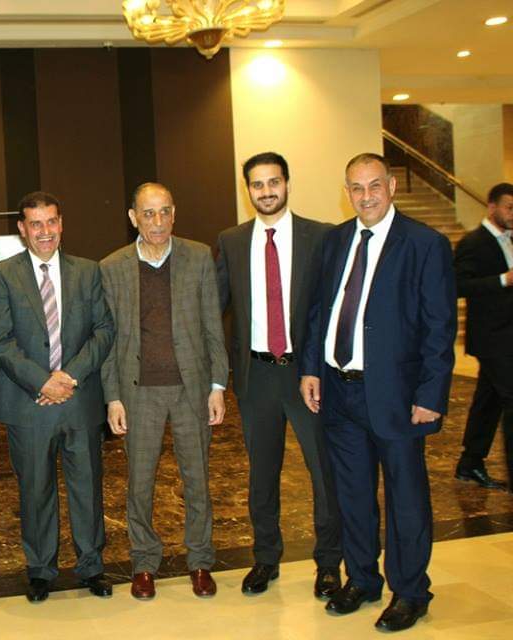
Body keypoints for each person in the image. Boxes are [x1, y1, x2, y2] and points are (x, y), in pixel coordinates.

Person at [300, 153, 456, 632]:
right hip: (339, 391)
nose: (365, 196)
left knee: (406, 498)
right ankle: (363, 579)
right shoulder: (335, 241)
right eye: (356, 187)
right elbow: (320, 312)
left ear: (391, 186)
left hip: (397, 396)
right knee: (352, 495)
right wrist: (311, 369)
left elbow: (439, 327)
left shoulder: (425, 244)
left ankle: (410, 591)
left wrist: (430, 394)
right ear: (346, 192)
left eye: (373, 186)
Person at [215, 153, 342, 598]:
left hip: (306, 376)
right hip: (256, 377)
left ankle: (330, 562)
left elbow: (330, 309)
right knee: (262, 474)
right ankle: (266, 557)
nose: (266, 191)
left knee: (323, 472)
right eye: (257, 184)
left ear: (287, 183)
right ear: (246, 189)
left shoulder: (320, 236)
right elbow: (215, 309)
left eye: (273, 182)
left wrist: (318, 368)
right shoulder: (231, 241)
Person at [101, 182, 228, 600]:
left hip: (192, 390)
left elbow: (213, 326)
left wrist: (217, 386)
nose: (157, 221)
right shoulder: (112, 267)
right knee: (139, 483)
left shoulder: (198, 257)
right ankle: (144, 562)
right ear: (133, 217)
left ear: (175, 213)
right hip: (138, 393)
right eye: (148, 213)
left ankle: (200, 560)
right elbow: (108, 340)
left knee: (197, 479)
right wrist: (113, 397)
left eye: (164, 212)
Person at [0, 191, 114, 603]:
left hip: (79, 398)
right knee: (35, 489)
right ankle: (41, 569)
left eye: (51, 222)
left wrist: (68, 377)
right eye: (35, 224)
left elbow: (104, 330)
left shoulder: (88, 271)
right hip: (29, 403)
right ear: (22, 229)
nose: (45, 231)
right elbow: (1, 340)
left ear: (62, 224)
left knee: (87, 487)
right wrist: (42, 383)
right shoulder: (3, 275)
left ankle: (91, 565)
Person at [453, 182, 513, 490]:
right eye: (509, 208)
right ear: (492, 207)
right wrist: (503, 280)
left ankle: (470, 463)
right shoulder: (473, 243)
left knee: (488, 401)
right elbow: (458, 286)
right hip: (491, 338)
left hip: (508, 335)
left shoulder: (511, 240)